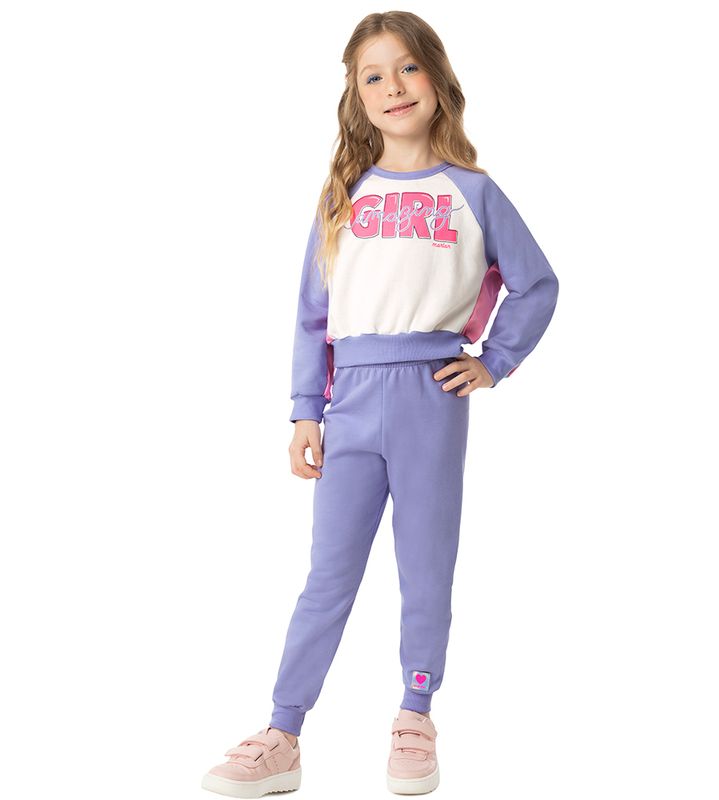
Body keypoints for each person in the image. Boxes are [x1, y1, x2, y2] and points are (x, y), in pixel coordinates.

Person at [202, 10, 559, 797]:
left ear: (436, 77)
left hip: (432, 395)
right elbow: (312, 315)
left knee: (426, 566)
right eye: (374, 75)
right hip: (350, 402)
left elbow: (537, 283)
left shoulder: (473, 192)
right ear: (357, 96)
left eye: (407, 67)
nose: (393, 86)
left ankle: (415, 713)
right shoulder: (343, 197)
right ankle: (283, 731)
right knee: (327, 574)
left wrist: (494, 362)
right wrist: (306, 410)